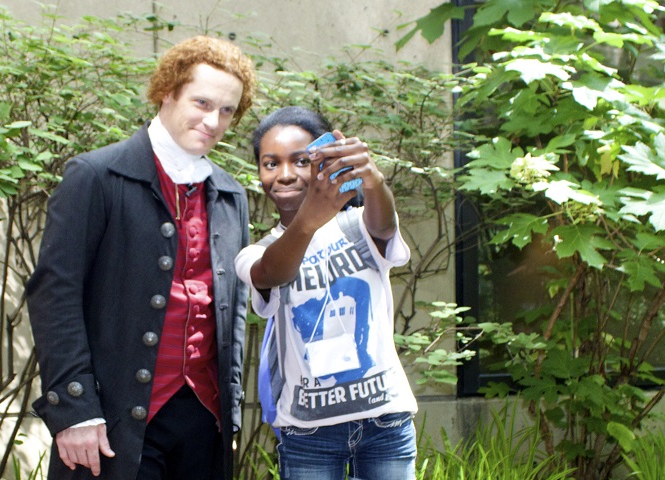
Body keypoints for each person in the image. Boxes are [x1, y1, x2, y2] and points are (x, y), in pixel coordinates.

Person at [26, 35, 256, 480]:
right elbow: (56, 296)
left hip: (203, 419)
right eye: (201, 102)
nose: (213, 120)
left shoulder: (230, 195)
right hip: (112, 419)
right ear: (167, 91)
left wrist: (228, 412)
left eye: (226, 110)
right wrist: (73, 410)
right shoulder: (95, 176)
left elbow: (234, 312)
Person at [235, 106, 418, 479]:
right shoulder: (255, 252)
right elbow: (273, 272)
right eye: (270, 163)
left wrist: (372, 178)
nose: (284, 174)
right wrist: (310, 218)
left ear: (322, 161)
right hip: (308, 432)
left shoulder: (358, 226)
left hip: (385, 421)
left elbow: (383, 226)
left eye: (300, 161)